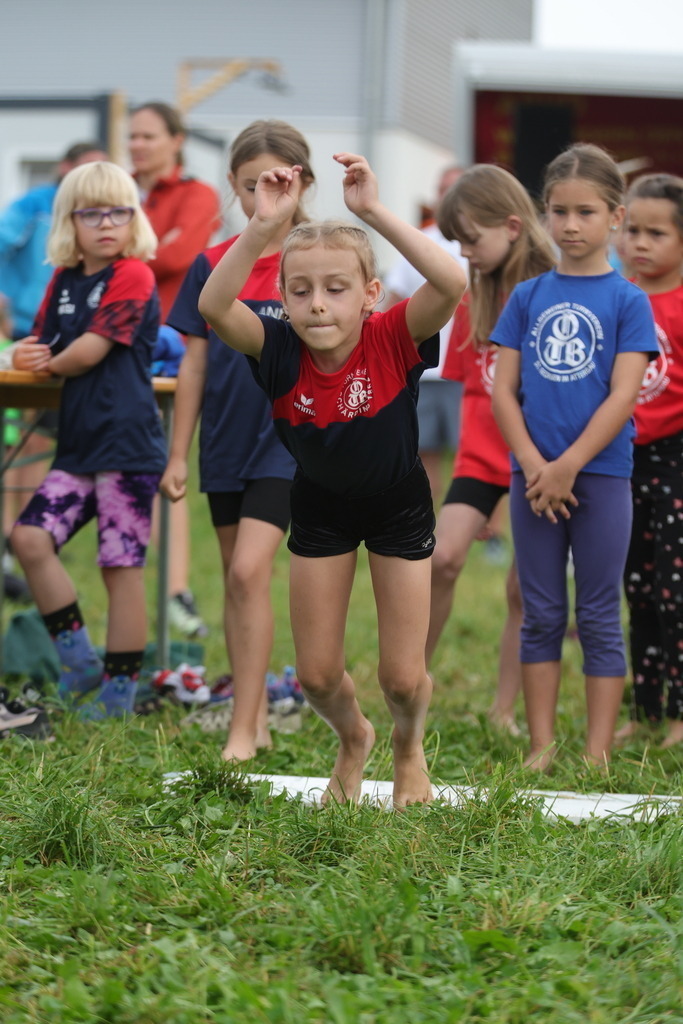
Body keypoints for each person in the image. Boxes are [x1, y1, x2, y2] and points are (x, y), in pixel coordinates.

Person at [198, 153, 467, 807]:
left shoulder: (394, 336)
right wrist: (263, 227)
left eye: (336, 288)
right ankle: (354, 739)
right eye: (300, 291)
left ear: (370, 293)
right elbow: (213, 304)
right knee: (317, 677)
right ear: (283, 297)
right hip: (320, 507)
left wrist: (371, 211)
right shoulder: (277, 349)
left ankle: (408, 747)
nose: (317, 303)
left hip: (398, 506)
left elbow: (451, 281)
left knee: (402, 678)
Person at [491, 143, 657, 770]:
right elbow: (503, 391)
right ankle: (540, 746)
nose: (570, 225)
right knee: (540, 612)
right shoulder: (527, 296)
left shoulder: (628, 300)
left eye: (586, 212)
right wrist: (536, 464)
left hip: (603, 476)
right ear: (544, 213)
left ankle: (597, 752)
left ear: (615, 217)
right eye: (559, 211)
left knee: (598, 613)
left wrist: (569, 465)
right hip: (533, 479)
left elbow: (623, 395)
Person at [161, 120, 315, 762]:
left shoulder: (315, 259)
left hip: (289, 439)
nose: (263, 196)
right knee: (236, 580)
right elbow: (193, 367)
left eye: (276, 182)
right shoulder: (211, 264)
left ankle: (244, 729)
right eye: (251, 185)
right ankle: (253, 710)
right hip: (225, 439)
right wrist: (178, 452)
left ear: (303, 182)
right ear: (233, 184)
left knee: (251, 570)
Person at [9, 161, 167, 717]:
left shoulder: (134, 274)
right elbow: (40, 342)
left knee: (120, 568)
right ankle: (78, 664)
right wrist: (25, 353)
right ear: (68, 221)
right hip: (78, 448)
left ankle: (119, 694)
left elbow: (86, 352)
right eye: (92, 213)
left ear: (133, 218)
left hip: (128, 447)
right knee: (30, 539)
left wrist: (44, 359)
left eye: (119, 212)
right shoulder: (63, 280)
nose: (106, 224)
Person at [426, 165, 557, 733]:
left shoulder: (557, 293)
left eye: (471, 240)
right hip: (481, 456)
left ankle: (504, 710)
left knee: (523, 590)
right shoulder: (470, 297)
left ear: (512, 226)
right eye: (456, 242)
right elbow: (469, 393)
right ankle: (409, 682)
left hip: (540, 461)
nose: (464, 253)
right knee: (441, 558)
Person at [129, 100, 221, 638]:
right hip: (114, 349)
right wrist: (150, 249)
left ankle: (176, 592)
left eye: (148, 136)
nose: (137, 145)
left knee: (167, 465)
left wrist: (127, 254)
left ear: (176, 140)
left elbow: (179, 257)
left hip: (170, 354)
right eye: (132, 136)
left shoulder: (197, 194)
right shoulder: (123, 191)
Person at [613, 174, 683, 749]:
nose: (639, 242)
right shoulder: (618, 297)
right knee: (637, 587)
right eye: (632, 229)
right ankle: (644, 708)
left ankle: (680, 713)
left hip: (677, 457)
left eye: (656, 233)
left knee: (675, 590)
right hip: (622, 456)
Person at [384, 165, 468, 504]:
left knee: (474, 459)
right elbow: (392, 301)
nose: (447, 196)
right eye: (443, 188)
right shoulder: (419, 242)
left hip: (466, 374)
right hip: (424, 370)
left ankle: (488, 528)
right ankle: (429, 523)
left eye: (456, 188)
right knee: (424, 455)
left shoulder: (481, 241)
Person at [0, 141, 107, 339]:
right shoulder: (35, 203)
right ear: (65, 167)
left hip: (75, 324)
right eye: (87, 167)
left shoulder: (101, 213)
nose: (93, 177)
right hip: (25, 320)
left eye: (100, 170)